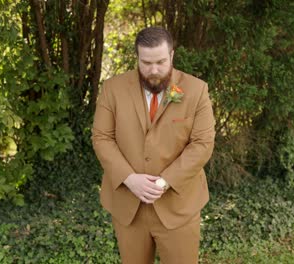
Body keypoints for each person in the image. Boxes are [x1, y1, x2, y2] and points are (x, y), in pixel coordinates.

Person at [91, 27, 215, 264]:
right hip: (129, 208)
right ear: (137, 57)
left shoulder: (196, 91)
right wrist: (129, 178)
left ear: (172, 56)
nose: (154, 70)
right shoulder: (112, 89)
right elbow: (102, 137)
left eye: (160, 62)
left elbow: (202, 144)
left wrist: (164, 181)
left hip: (178, 206)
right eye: (146, 63)